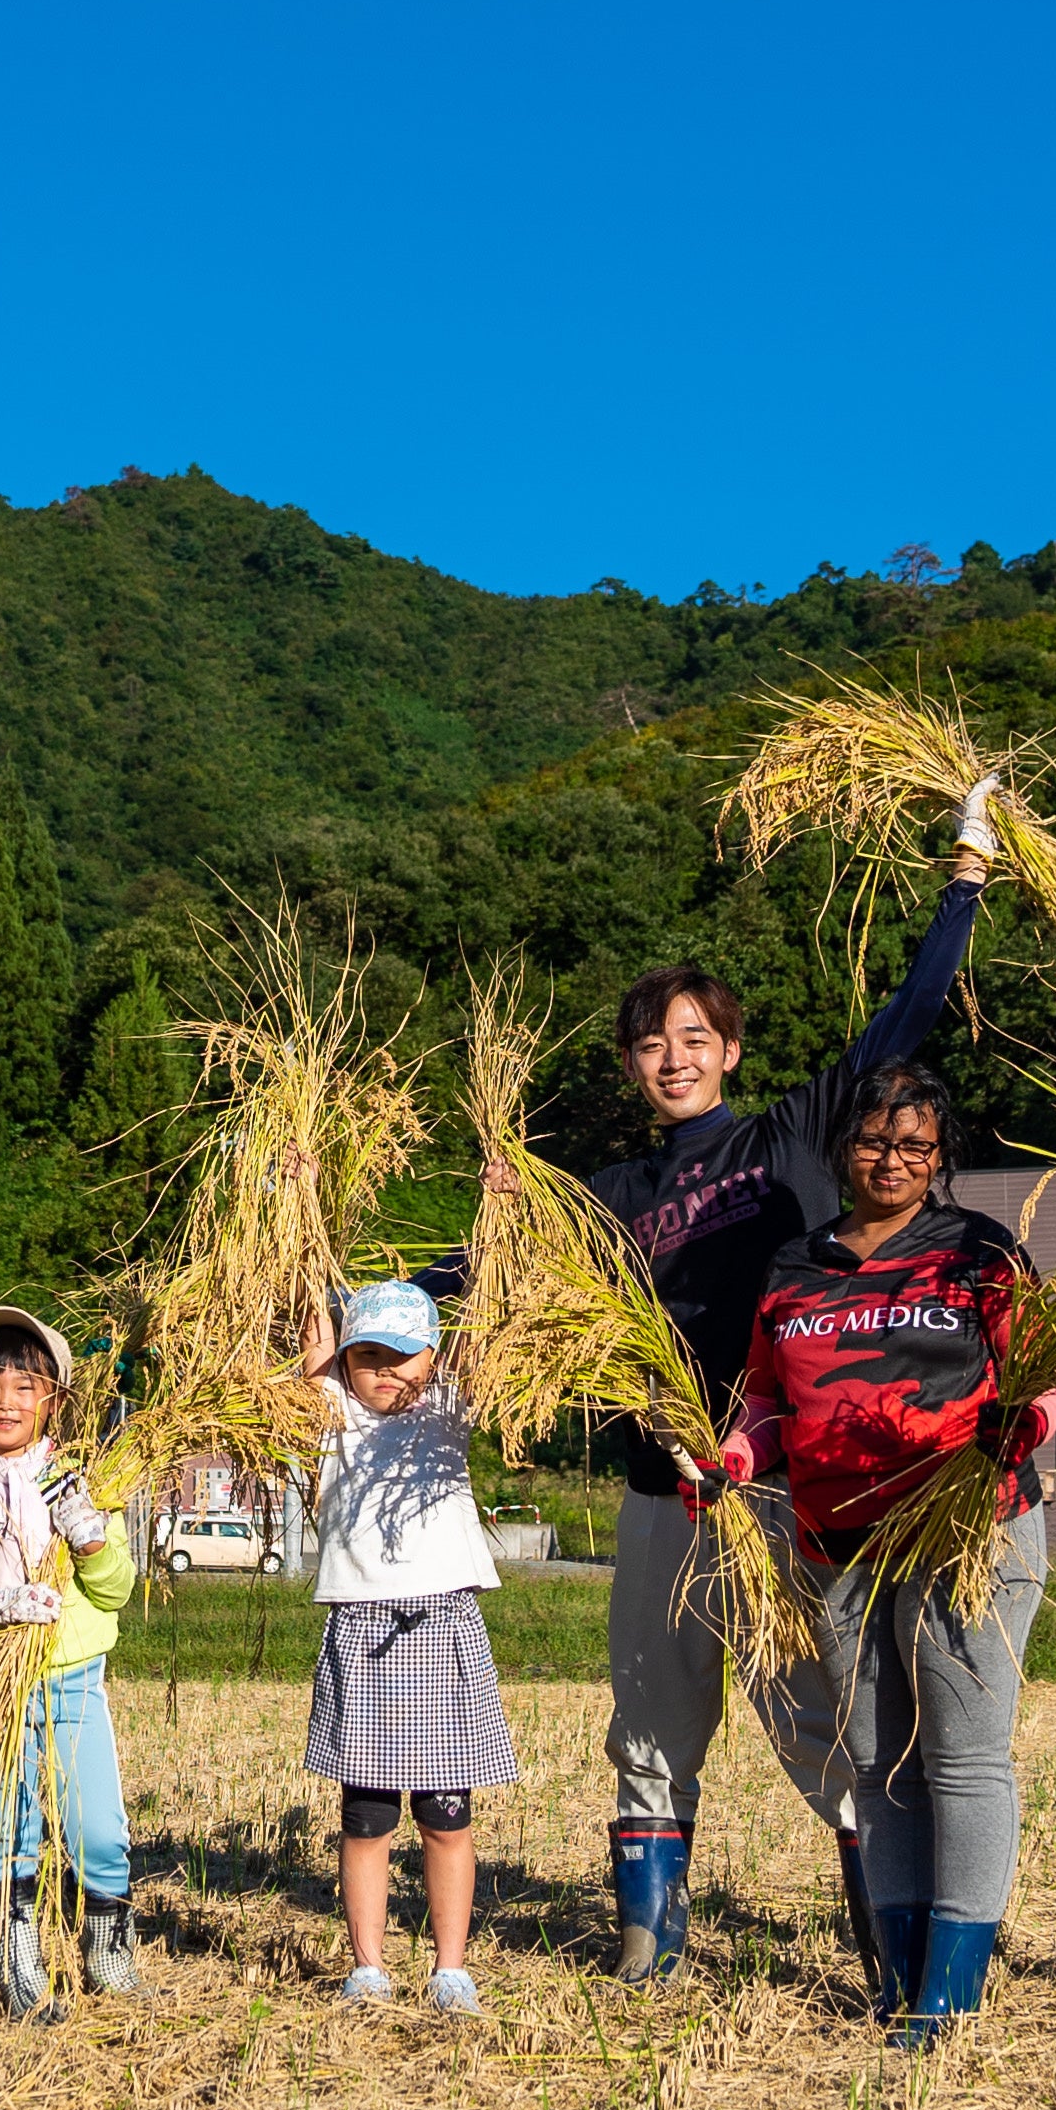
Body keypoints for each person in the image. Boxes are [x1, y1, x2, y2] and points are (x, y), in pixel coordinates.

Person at [428, 781, 994, 1984]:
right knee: (648, 1715)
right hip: (658, 1482)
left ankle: (886, 1940)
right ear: (632, 1065)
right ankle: (650, 1947)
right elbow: (486, 1269)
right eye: (649, 1042)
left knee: (823, 1719)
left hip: (787, 1486)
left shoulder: (785, 1140)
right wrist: (348, 1298)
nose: (671, 1058)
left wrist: (963, 880)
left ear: (728, 1052)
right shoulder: (609, 1197)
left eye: (693, 1038)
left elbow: (908, 1013)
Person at [728, 1058, 1055, 2047]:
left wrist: (1021, 1431)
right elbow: (766, 1403)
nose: (891, 1160)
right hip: (837, 1540)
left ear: (939, 1156)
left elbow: (1045, 1375)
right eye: (874, 1141)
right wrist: (734, 1457)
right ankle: (900, 1974)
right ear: (843, 1149)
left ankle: (949, 1991)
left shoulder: (977, 1251)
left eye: (914, 1145)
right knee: (877, 1762)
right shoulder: (794, 1267)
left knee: (958, 1758)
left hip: (967, 1532)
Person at [0, 1305, 140, 2021]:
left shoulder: (86, 1482)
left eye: (25, 1387)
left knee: (96, 1825)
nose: (6, 1402)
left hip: (71, 1673)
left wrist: (92, 1541)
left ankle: (108, 1949)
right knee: (4, 1822)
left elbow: (117, 1589)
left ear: (57, 1402)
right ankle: (18, 1968)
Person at [297, 1281, 517, 2018]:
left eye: (405, 1355)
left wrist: (501, 1221)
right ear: (346, 1363)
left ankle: (450, 1969)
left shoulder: (447, 1409)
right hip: (362, 1629)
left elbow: (489, 1321)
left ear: (436, 1356)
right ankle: (369, 1968)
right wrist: (297, 1201)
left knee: (446, 1814)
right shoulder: (334, 1415)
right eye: (369, 1356)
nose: (388, 1371)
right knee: (365, 1816)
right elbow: (313, 1338)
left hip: (441, 1625)